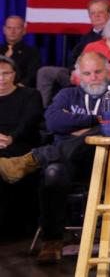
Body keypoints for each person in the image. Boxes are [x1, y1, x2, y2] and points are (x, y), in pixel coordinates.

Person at [0, 52, 110, 265]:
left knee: (101, 133)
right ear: (78, 76)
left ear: (108, 72)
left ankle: (31, 160)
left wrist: (80, 127)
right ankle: (52, 242)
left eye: (98, 72)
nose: (93, 77)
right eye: (87, 73)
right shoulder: (67, 94)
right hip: (68, 163)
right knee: (54, 171)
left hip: (105, 162)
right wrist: (96, 120)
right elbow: (53, 122)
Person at [36, 0, 110, 106]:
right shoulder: (85, 38)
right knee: (45, 72)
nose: (96, 16)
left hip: (97, 75)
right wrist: (73, 71)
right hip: (76, 73)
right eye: (93, 13)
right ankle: (44, 112)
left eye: (100, 12)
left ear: (109, 15)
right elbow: (74, 58)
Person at [0, 56, 44, 231]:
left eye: (6, 73)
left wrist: (10, 138)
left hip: (20, 144)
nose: (1, 78)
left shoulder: (30, 95)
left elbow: (29, 122)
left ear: (15, 74)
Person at [2, 15, 40, 87]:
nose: (12, 31)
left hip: (20, 90)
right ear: (4, 30)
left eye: (16, 28)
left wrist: (17, 88)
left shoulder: (32, 52)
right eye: (9, 28)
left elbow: (32, 75)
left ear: (24, 31)